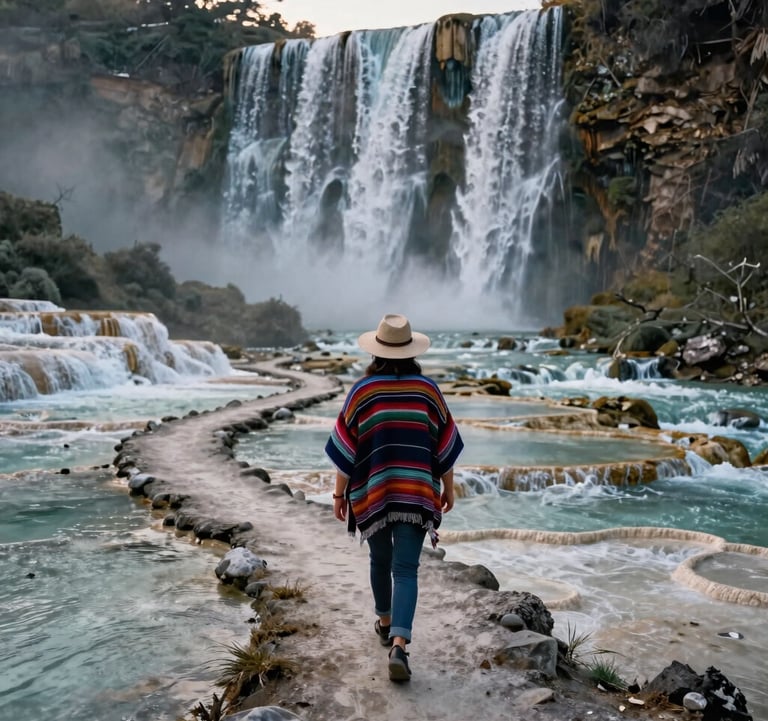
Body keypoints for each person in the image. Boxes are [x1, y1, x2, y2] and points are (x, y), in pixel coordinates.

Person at [324, 313, 464, 682]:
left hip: (374, 491)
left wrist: (339, 495)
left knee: (378, 559)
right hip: (416, 492)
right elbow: (443, 444)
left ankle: (385, 621)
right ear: (411, 352)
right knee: (406, 569)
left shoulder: (362, 391)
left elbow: (346, 449)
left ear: (376, 352)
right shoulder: (428, 391)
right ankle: (399, 644)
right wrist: (448, 488)